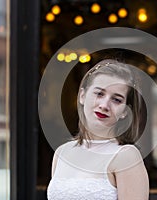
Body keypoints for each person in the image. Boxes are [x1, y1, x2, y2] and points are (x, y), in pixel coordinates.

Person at [47, 59, 149, 200]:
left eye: (116, 100)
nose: (104, 105)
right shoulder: (62, 153)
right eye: (99, 94)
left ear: (125, 111)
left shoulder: (126, 156)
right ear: (82, 96)